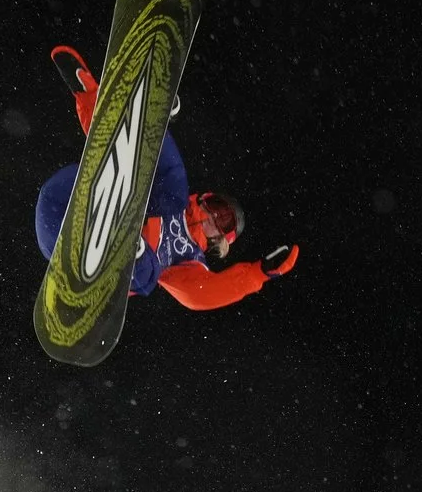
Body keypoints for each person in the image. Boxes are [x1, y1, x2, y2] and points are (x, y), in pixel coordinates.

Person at [34, 45, 298, 309]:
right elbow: (108, 148)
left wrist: (256, 274)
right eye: (219, 208)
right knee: (165, 189)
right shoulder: (170, 197)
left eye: (225, 223)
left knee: (150, 276)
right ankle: (151, 120)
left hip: (94, 263)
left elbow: (203, 294)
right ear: (207, 198)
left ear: (223, 240)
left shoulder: (191, 259)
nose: (216, 218)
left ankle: (129, 248)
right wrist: (90, 96)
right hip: (64, 206)